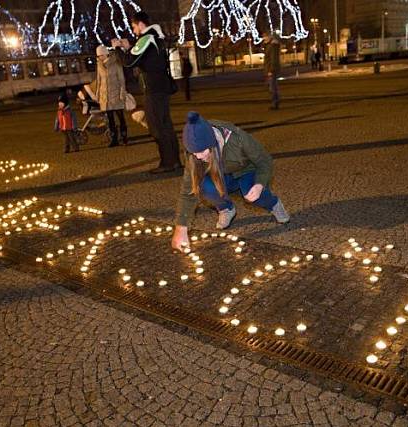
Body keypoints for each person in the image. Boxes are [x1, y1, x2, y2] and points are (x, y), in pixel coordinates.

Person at [170, 112, 290, 251]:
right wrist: (181, 228)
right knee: (203, 187)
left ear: (212, 143)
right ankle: (226, 208)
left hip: (245, 171)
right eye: (193, 153)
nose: (198, 156)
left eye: (201, 151)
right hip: (220, 176)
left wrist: (260, 184)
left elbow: (265, 161)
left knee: (253, 193)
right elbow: (188, 191)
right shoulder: (195, 153)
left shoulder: (238, 139)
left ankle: (273, 204)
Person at [112, 11, 181, 173]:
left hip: (154, 88)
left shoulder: (147, 37)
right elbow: (142, 57)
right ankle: (174, 160)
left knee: (156, 126)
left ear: (141, 24)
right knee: (166, 125)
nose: (134, 30)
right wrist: (129, 47)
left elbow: (129, 62)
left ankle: (167, 163)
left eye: (134, 26)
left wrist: (117, 49)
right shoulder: (155, 37)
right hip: (161, 86)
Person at [90, 45, 128, 147]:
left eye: (101, 55)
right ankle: (114, 138)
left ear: (106, 53)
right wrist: (97, 94)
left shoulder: (116, 63)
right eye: (98, 56)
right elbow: (99, 80)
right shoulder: (99, 65)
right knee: (110, 119)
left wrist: (122, 92)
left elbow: (121, 79)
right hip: (105, 96)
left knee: (120, 117)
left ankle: (124, 137)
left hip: (116, 94)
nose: (99, 58)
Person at [263, 33, 281, 110]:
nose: (264, 39)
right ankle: (275, 102)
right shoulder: (271, 45)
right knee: (273, 87)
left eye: (265, 37)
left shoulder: (272, 46)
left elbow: (273, 59)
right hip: (271, 69)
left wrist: (271, 70)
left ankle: (275, 103)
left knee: (272, 87)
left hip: (271, 69)